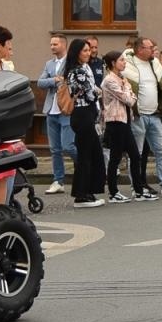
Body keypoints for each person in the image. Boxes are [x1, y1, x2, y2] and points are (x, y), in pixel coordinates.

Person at [62, 37, 112, 207]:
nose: (88, 53)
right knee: (87, 155)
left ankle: (87, 192)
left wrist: (95, 91)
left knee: (91, 153)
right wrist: (97, 92)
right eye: (84, 50)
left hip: (88, 114)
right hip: (82, 114)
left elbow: (93, 90)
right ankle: (82, 195)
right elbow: (90, 94)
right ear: (76, 52)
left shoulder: (85, 68)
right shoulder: (77, 71)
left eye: (89, 50)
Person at [126, 38, 162, 197]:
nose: (154, 50)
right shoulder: (129, 64)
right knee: (136, 153)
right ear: (140, 49)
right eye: (150, 47)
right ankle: (136, 187)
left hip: (154, 115)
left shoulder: (154, 64)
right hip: (138, 116)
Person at [99, 51, 151, 200]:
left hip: (125, 121)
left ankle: (138, 190)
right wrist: (128, 89)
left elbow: (131, 97)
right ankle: (113, 192)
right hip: (115, 122)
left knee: (135, 156)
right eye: (121, 60)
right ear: (113, 63)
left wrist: (128, 90)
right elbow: (129, 99)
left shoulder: (122, 78)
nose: (124, 63)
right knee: (115, 158)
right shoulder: (109, 80)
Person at [38, 35, 76, 195]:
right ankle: (58, 181)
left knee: (69, 145)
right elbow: (40, 83)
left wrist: (62, 80)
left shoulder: (71, 63)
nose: (52, 47)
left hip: (66, 109)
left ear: (63, 45)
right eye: (51, 44)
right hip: (51, 110)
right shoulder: (49, 64)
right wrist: (54, 80)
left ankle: (85, 170)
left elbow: (72, 82)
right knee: (55, 149)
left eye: (55, 44)